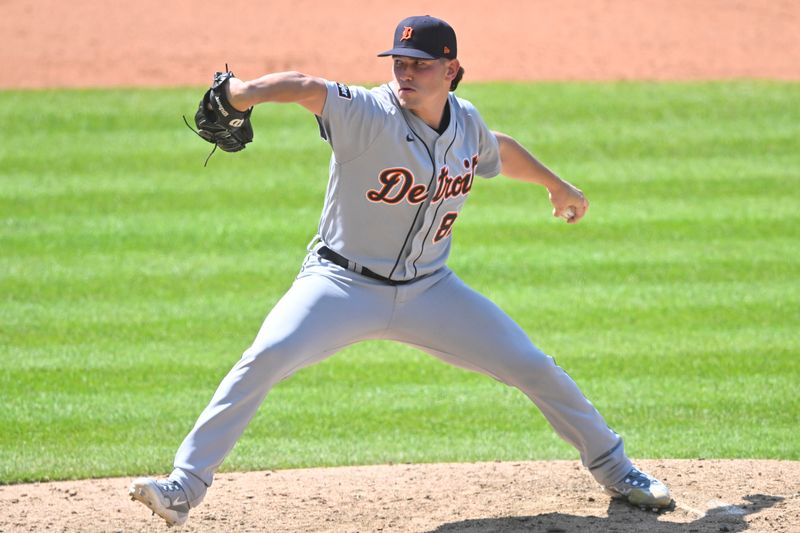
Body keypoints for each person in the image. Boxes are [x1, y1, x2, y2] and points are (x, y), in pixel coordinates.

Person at [129, 15, 672, 527]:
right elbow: (302, 85)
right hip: (340, 284)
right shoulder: (366, 112)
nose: (406, 73)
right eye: (399, 62)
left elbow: (496, 151)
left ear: (451, 70)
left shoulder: (467, 123)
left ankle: (616, 469)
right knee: (264, 358)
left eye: (420, 64)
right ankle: (184, 486)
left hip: (431, 291)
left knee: (532, 365)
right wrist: (240, 94)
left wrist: (557, 185)